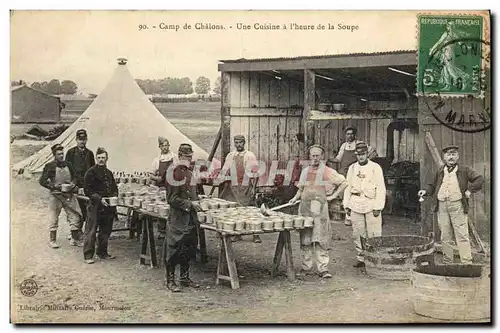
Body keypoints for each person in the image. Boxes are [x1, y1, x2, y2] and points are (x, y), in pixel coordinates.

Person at [288, 144, 347, 279]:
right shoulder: (305, 171)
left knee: (321, 238)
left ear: (322, 156)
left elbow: (344, 182)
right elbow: (301, 189)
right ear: (309, 156)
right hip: (305, 209)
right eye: (312, 155)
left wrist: (333, 196)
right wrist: (294, 198)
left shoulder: (327, 171)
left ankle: (323, 269)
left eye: (317, 155)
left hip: (320, 211)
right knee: (306, 239)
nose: (315, 158)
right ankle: (306, 267)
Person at [418, 145, 484, 264]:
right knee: (445, 234)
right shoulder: (440, 171)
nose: (451, 157)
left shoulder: (464, 170)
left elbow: (479, 179)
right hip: (442, 206)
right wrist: (425, 191)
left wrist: (469, 190)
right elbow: (432, 186)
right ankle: (447, 261)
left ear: (457, 157)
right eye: (448, 155)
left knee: (461, 234)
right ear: (444, 157)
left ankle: (466, 262)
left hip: (457, 205)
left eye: (453, 154)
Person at [163, 143, 202, 292]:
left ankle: (184, 278)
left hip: (190, 219)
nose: (189, 159)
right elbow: (171, 199)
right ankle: (170, 281)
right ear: (179, 156)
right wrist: (190, 204)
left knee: (189, 248)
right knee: (173, 249)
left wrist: (198, 200)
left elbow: (193, 193)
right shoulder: (173, 172)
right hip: (178, 218)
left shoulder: (190, 173)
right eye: (186, 156)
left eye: (191, 156)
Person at [343, 142, 386, 268]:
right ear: (356, 155)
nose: (361, 157)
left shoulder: (375, 167)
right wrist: (346, 204)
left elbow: (381, 188)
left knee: (374, 232)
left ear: (367, 154)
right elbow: (347, 187)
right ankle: (361, 257)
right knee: (358, 232)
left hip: (371, 202)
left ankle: (375, 257)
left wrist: (378, 206)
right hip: (356, 202)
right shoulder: (352, 168)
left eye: (363, 154)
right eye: (358, 155)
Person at [39, 144, 83, 248]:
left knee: (75, 216)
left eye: (62, 153)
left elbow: (76, 176)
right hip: (56, 195)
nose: (61, 156)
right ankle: (52, 240)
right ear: (54, 155)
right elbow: (42, 181)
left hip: (68, 194)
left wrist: (73, 183)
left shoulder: (69, 164)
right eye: (59, 154)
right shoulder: (49, 166)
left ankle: (75, 239)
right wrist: (53, 185)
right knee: (54, 217)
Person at [219, 134, 261, 243]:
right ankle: (238, 234)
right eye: (236, 143)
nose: (238, 145)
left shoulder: (250, 155)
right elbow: (225, 171)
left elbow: (256, 173)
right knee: (236, 210)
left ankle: (255, 234)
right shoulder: (230, 155)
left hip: (246, 186)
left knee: (251, 210)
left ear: (244, 143)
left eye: (240, 142)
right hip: (234, 187)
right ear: (234, 143)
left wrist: (254, 188)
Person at [332, 127, 377, 226]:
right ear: (345, 135)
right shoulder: (344, 145)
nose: (349, 136)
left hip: (355, 172)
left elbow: (372, 152)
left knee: (355, 193)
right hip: (344, 172)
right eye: (348, 134)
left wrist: (365, 162)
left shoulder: (359, 144)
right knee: (345, 194)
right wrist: (329, 160)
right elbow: (338, 158)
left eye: (351, 134)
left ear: (355, 135)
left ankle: (356, 217)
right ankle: (348, 217)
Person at [83, 147, 118, 264]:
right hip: (95, 205)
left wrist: (114, 196)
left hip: (107, 206)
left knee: (106, 230)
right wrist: (99, 198)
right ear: (96, 158)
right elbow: (88, 190)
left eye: (103, 157)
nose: (101, 160)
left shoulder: (109, 173)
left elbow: (114, 188)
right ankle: (88, 255)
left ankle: (102, 252)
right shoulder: (91, 172)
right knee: (91, 230)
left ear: (107, 158)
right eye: (99, 158)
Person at [65, 129, 95, 239]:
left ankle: (80, 231)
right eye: (79, 139)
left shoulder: (90, 153)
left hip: (86, 186)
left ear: (86, 140)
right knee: (74, 209)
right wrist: (73, 184)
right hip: (75, 186)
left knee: (85, 209)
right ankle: (73, 231)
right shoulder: (70, 153)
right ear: (76, 140)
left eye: (83, 139)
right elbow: (67, 169)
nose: (82, 142)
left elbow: (92, 170)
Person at [149, 136, 177, 239]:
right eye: (163, 146)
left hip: (173, 186)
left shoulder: (174, 157)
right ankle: (162, 230)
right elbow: (151, 175)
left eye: (167, 145)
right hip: (162, 187)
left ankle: (172, 229)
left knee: (172, 207)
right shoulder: (157, 160)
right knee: (162, 207)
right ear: (159, 147)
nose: (165, 148)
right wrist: (158, 178)